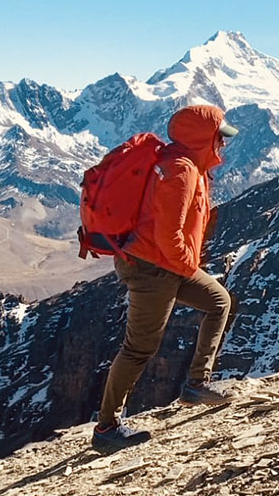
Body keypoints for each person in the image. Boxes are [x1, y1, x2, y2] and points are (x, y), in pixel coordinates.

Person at [91, 103, 239, 453]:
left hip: (165, 264)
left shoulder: (189, 165)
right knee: (138, 348)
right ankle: (106, 429)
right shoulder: (180, 170)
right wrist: (189, 266)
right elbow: (167, 234)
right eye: (220, 137)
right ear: (204, 139)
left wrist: (184, 265)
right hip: (151, 267)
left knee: (219, 301)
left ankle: (196, 385)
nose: (224, 144)